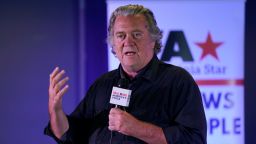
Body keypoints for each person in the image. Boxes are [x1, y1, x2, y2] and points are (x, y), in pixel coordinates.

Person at [44, 4, 207, 144]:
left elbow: (194, 139)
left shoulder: (177, 81)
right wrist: (55, 111)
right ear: (113, 44)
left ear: (153, 39)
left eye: (136, 34)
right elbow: (70, 135)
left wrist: (136, 128)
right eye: (121, 35)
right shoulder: (103, 84)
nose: (128, 42)